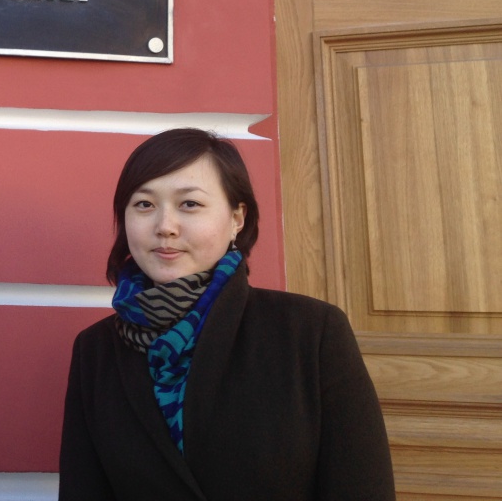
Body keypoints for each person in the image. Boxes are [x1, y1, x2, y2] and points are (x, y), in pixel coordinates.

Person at [59, 128, 395, 500]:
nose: (165, 226)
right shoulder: (96, 351)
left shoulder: (310, 333)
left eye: (189, 204)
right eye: (144, 205)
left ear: (237, 218)